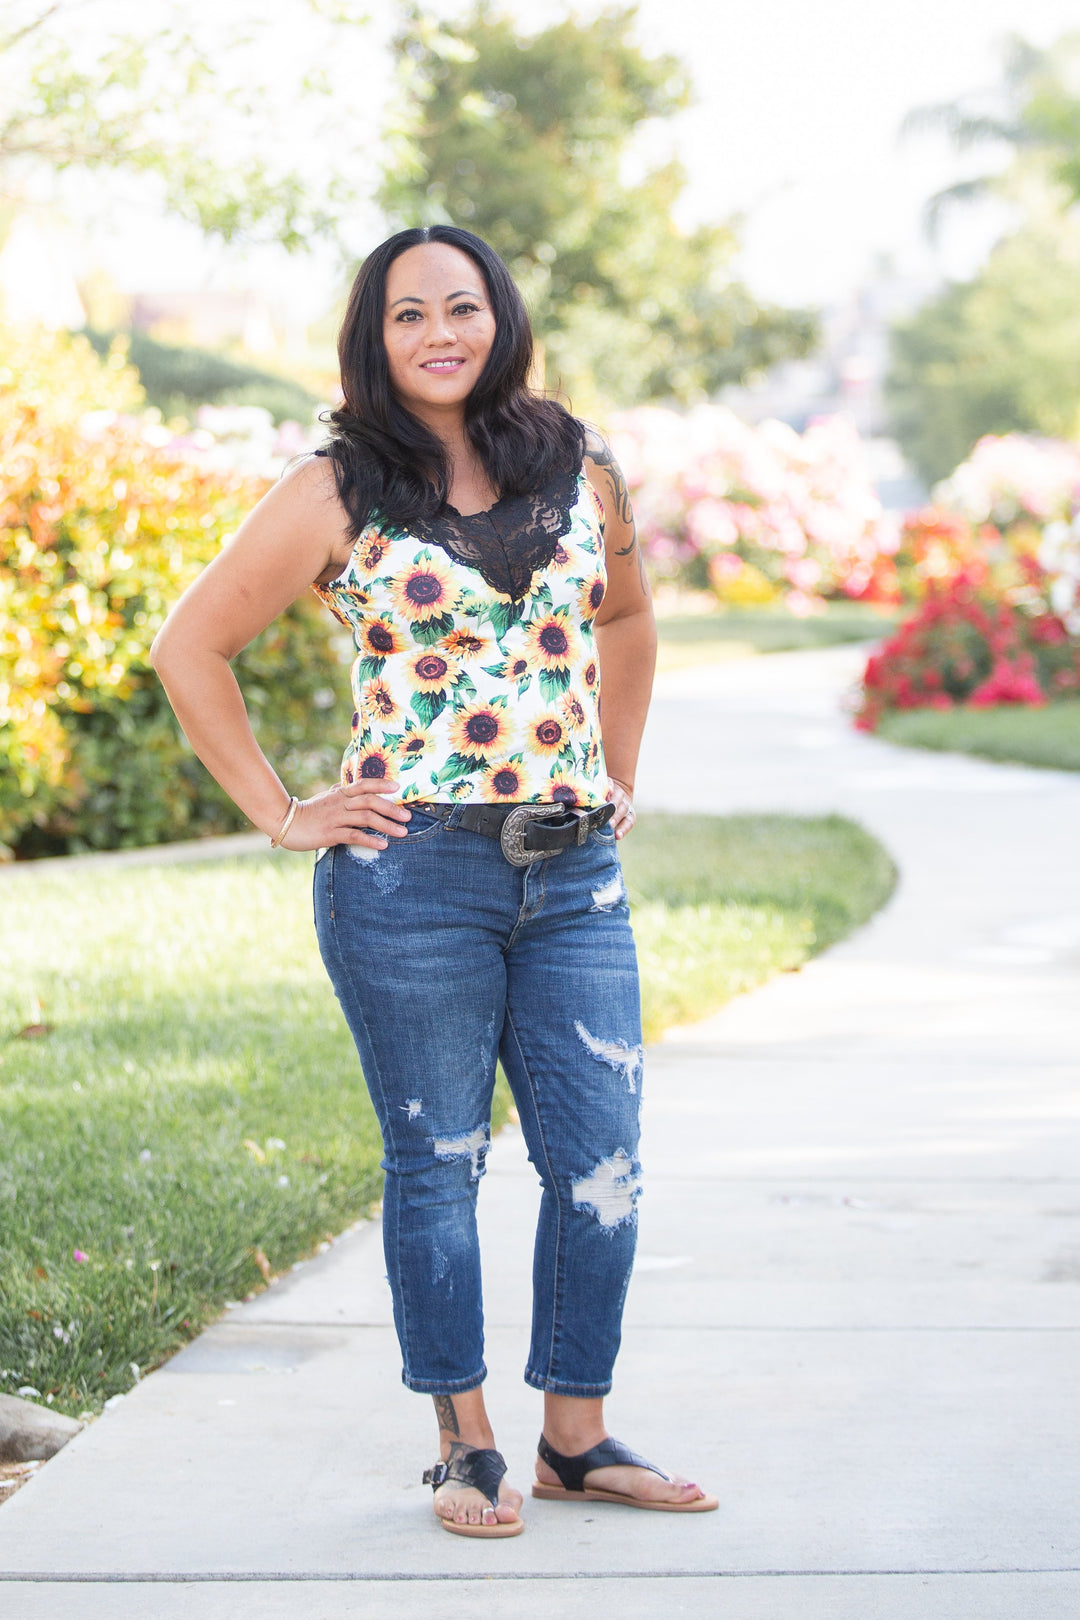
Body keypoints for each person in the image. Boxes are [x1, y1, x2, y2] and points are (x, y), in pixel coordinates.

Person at [151, 224, 717, 1538]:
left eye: (461, 306)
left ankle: (574, 1440)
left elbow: (627, 621)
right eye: (409, 314)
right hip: (413, 878)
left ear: (500, 317)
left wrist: (616, 763)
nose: (439, 332)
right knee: (439, 1160)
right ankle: (465, 1447)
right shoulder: (336, 488)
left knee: (603, 1163)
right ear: (376, 338)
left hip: (574, 872)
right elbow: (194, 649)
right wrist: (285, 813)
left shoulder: (582, 468)